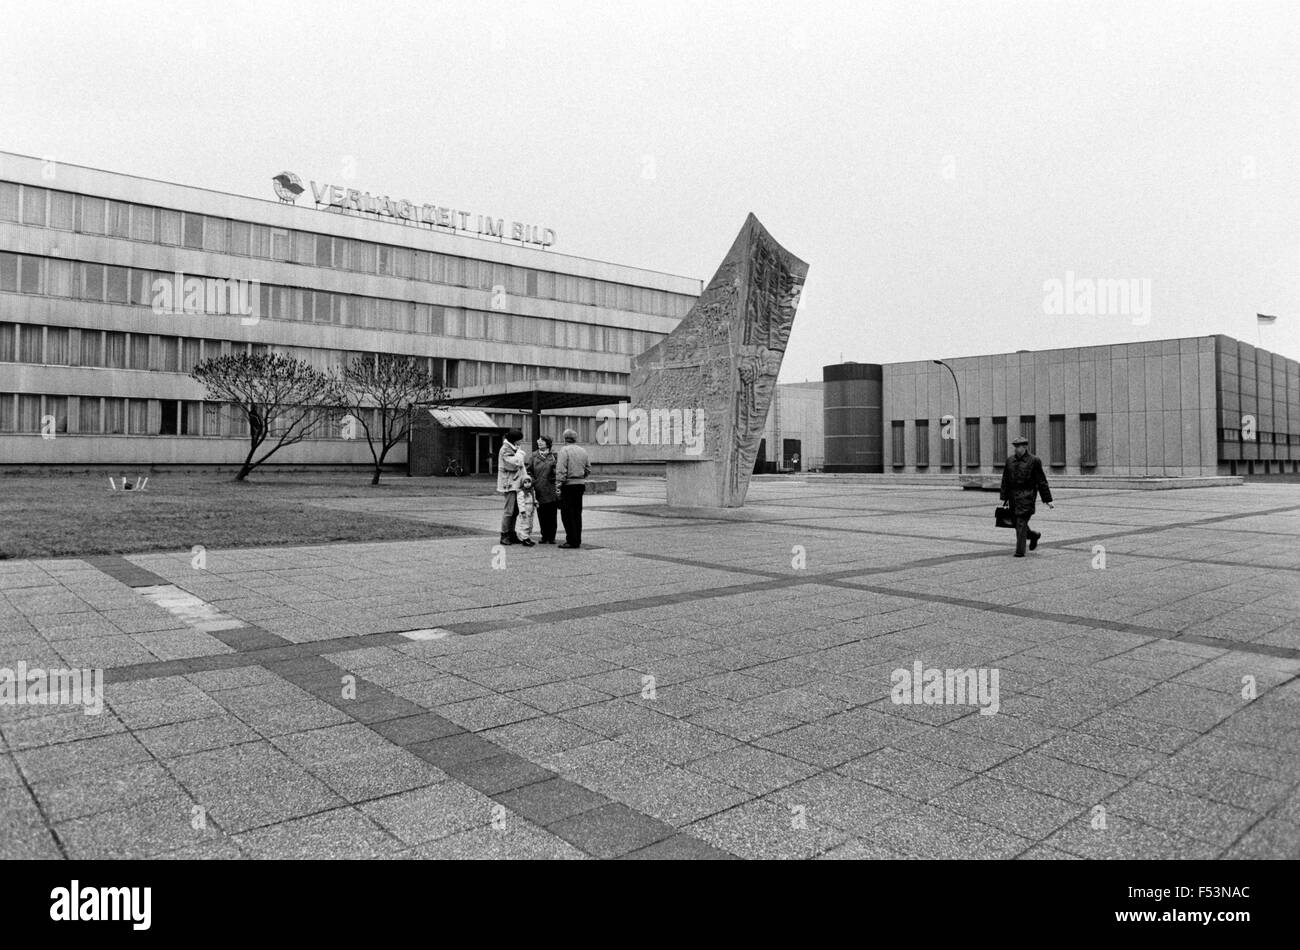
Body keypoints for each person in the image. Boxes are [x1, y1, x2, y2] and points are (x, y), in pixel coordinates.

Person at [999, 434, 1055, 557]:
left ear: (1025, 447)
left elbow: (1041, 481)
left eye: (1018, 446)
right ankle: (1034, 535)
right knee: (1017, 523)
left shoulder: (1034, 461)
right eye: (1015, 446)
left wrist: (1047, 500)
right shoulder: (1010, 460)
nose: (1016, 449)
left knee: (1020, 522)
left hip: (1027, 497)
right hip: (1013, 498)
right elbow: (1005, 480)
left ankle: (1020, 551)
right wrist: (1003, 497)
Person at [555, 427, 590, 549]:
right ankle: (577, 540)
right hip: (580, 484)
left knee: (567, 514)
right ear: (575, 439)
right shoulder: (583, 451)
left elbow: (561, 470)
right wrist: (581, 476)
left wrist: (558, 485)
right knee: (577, 513)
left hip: (568, 485)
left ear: (565, 439)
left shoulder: (564, 451)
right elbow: (588, 469)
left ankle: (571, 540)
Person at [496, 428, 531, 546]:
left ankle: (511, 533)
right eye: (520, 439)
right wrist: (520, 454)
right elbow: (514, 465)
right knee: (509, 511)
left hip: (516, 483)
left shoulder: (513, 448)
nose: (521, 442)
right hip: (509, 484)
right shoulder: (506, 449)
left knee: (515, 510)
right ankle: (504, 534)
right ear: (515, 440)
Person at [531, 436, 560, 544]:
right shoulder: (534, 455)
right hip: (539, 489)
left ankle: (551, 536)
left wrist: (555, 475)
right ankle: (544, 535)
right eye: (538, 440)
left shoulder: (554, 456)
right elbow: (529, 471)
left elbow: (559, 470)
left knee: (552, 514)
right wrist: (533, 481)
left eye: (542, 441)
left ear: (548, 443)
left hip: (551, 488)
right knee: (541, 513)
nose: (539, 442)